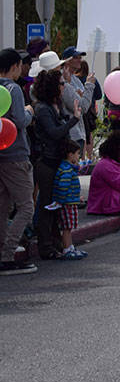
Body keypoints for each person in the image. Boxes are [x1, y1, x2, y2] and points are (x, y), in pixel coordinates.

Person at [30, 65, 80, 259]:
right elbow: (54, 133)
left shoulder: (54, 106)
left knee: (57, 205)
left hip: (57, 161)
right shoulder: (42, 108)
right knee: (47, 205)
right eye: (60, 84)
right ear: (52, 86)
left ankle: (56, 242)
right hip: (47, 163)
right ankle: (45, 246)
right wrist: (73, 119)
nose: (63, 87)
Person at [0, 48, 38, 275]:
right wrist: (29, 111)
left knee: (2, 206)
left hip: (1, 155)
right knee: (26, 206)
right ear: (14, 66)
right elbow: (20, 121)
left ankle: (2, 252)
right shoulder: (13, 89)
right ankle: (8, 253)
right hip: (16, 154)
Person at [48, 139, 87, 259]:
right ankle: (67, 248)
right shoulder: (66, 169)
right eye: (77, 154)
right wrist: (61, 200)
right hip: (66, 203)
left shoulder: (68, 168)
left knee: (69, 227)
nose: (78, 156)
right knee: (67, 227)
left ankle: (70, 247)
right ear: (70, 155)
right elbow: (63, 186)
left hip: (70, 201)